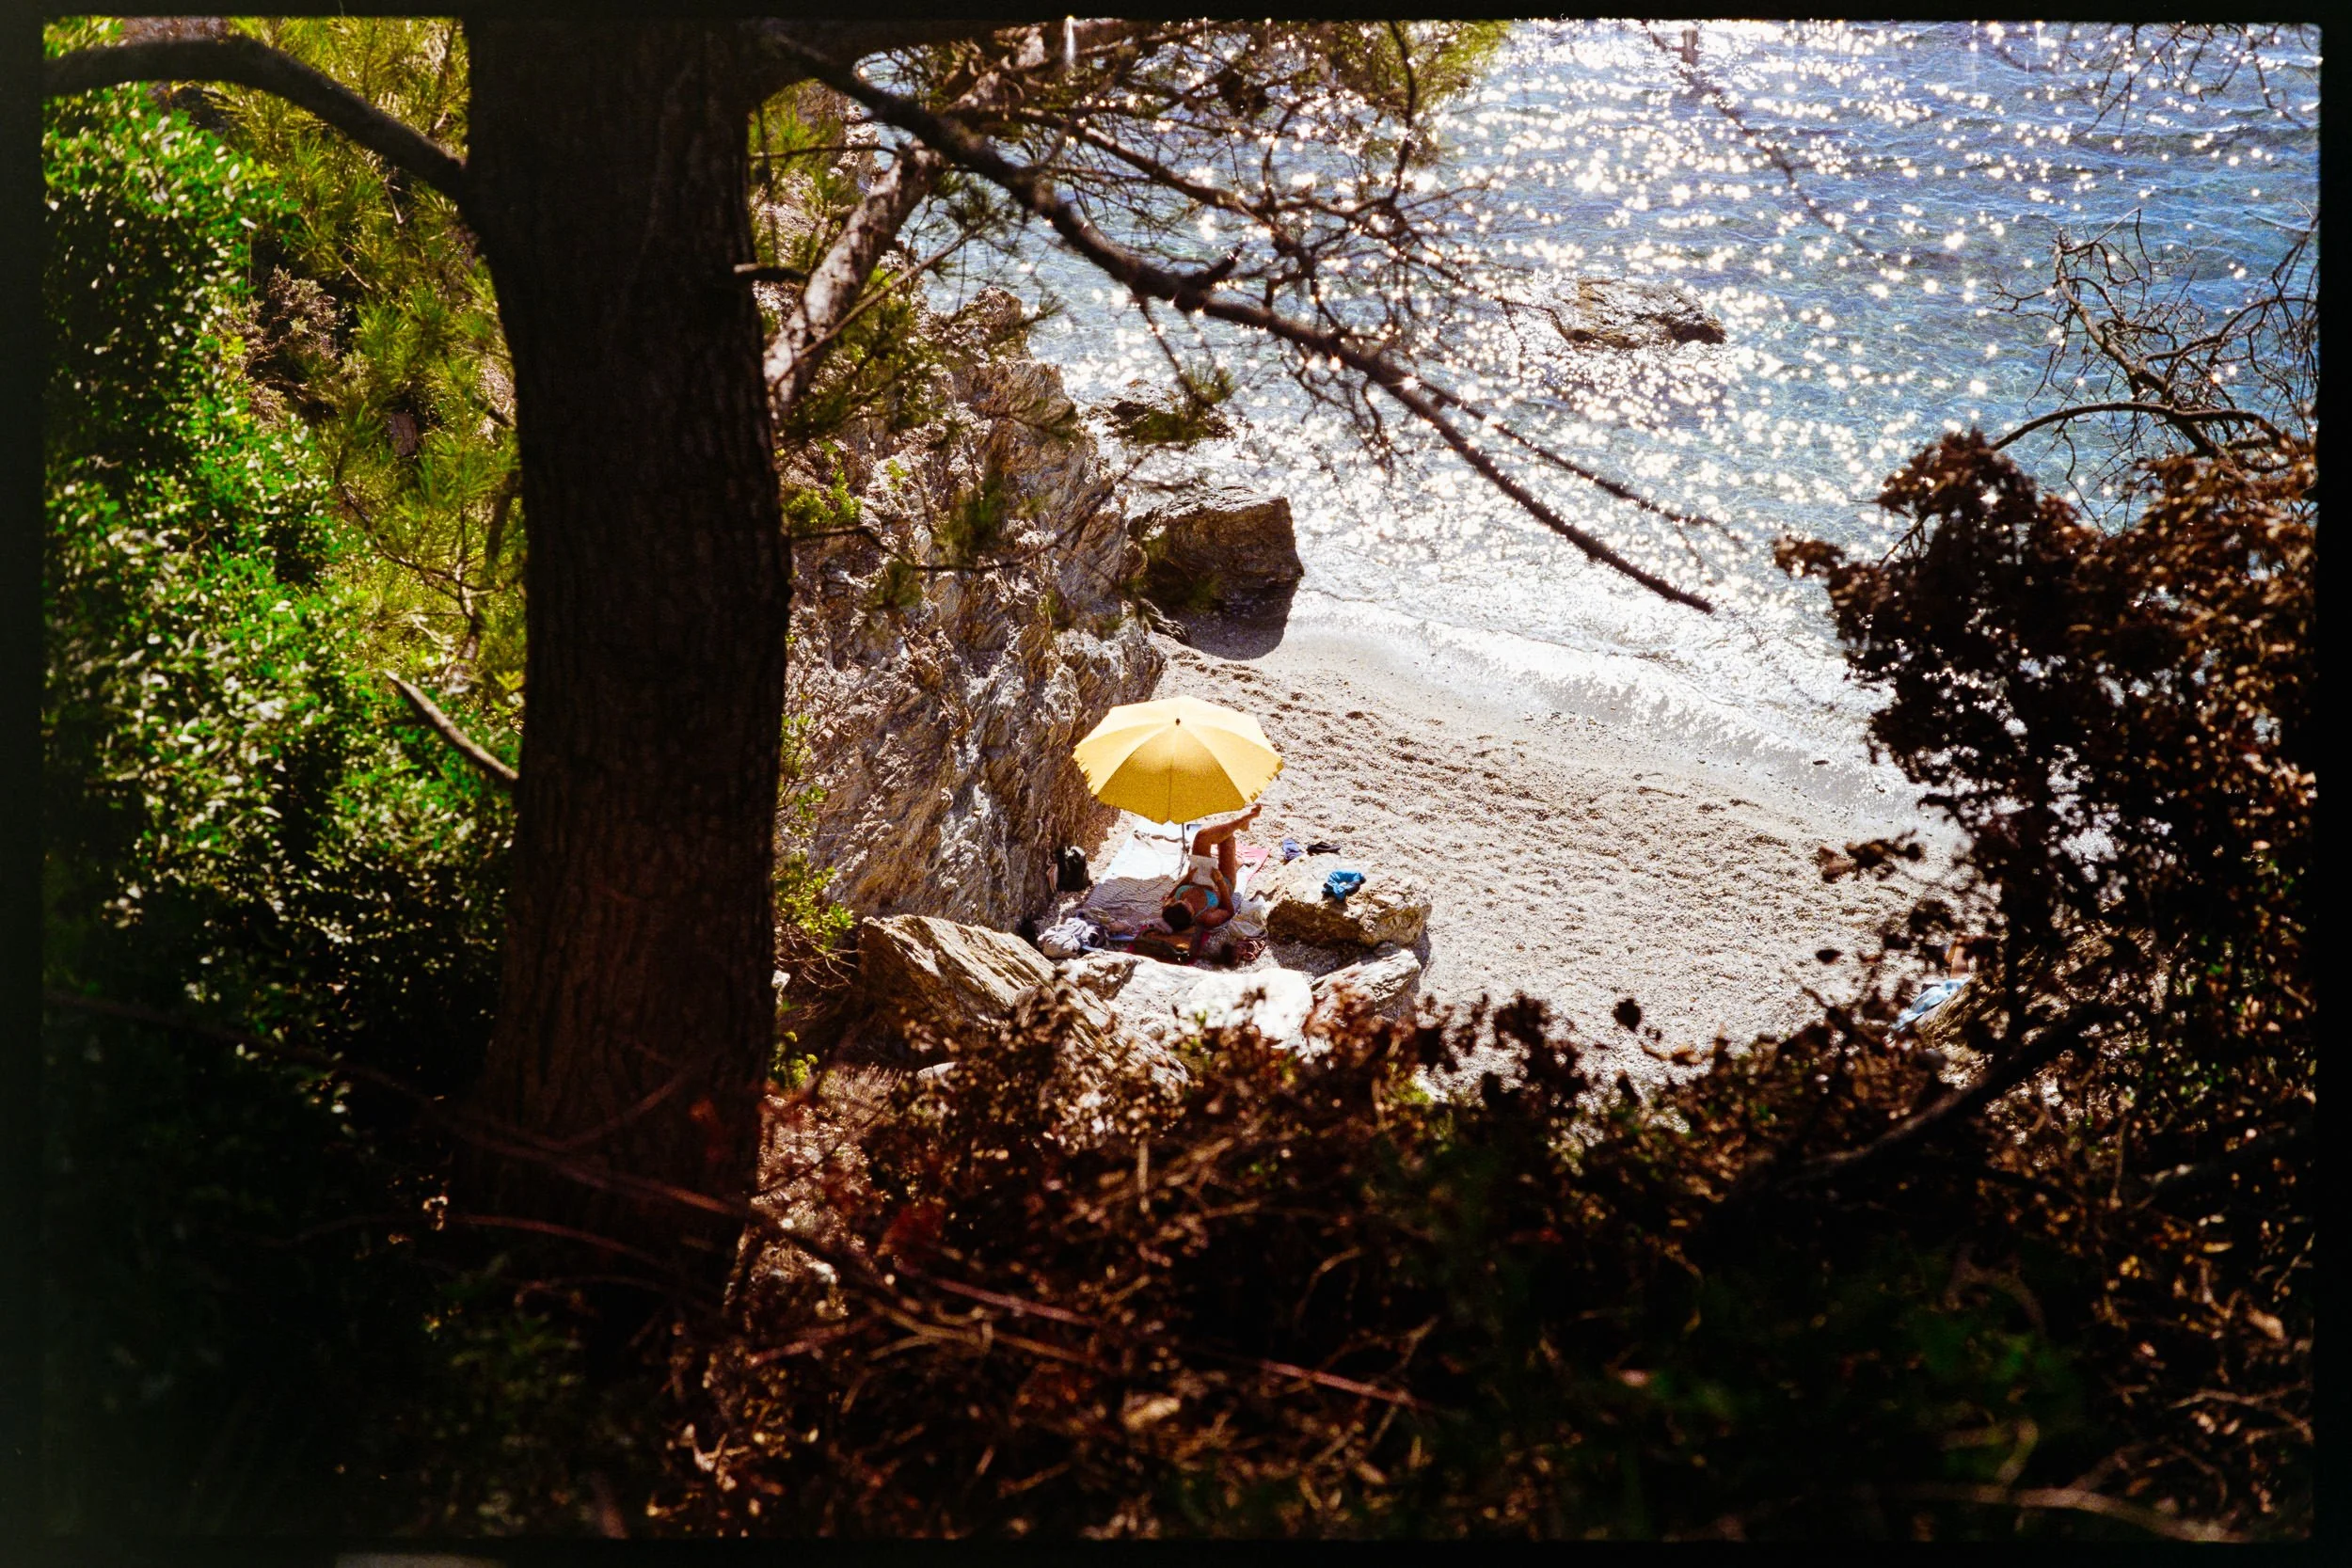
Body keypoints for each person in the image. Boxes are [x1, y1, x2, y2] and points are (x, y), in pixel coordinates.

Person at [1160, 802, 1262, 935]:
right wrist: (1220, 882)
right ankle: (1241, 829)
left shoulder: (1169, 908)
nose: (1186, 900)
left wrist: (1187, 879)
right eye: (1188, 904)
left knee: (1201, 837)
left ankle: (1242, 821)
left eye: (1181, 899)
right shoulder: (1207, 918)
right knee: (1227, 838)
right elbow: (1229, 912)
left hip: (1199, 876)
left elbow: (1170, 896)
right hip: (1223, 882)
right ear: (1192, 916)